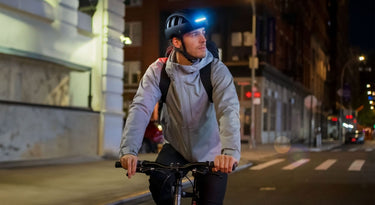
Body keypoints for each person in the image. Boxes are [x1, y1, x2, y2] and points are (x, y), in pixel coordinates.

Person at [119, 10, 241, 205]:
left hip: (212, 151)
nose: (203, 39)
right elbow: (140, 108)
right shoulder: (158, 71)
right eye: (194, 34)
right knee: (159, 181)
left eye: (203, 32)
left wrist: (229, 153)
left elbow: (228, 110)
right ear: (176, 42)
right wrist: (129, 151)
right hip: (176, 147)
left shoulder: (216, 70)